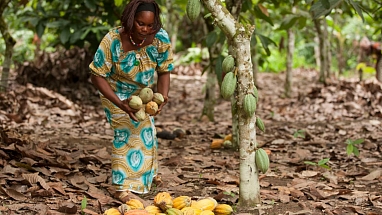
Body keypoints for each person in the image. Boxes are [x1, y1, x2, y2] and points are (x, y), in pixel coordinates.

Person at [89, 0, 173, 203]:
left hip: (142, 93)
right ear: (130, 20)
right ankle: (122, 186)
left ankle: (149, 176)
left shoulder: (160, 38)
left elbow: (164, 70)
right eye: (140, 24)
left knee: (148, 128)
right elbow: (97, 75)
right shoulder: (113, 40)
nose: (145, 29)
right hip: (114, 91)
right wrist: (119, 103)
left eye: (150, 25)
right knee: (130, 127)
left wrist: (161, 97)